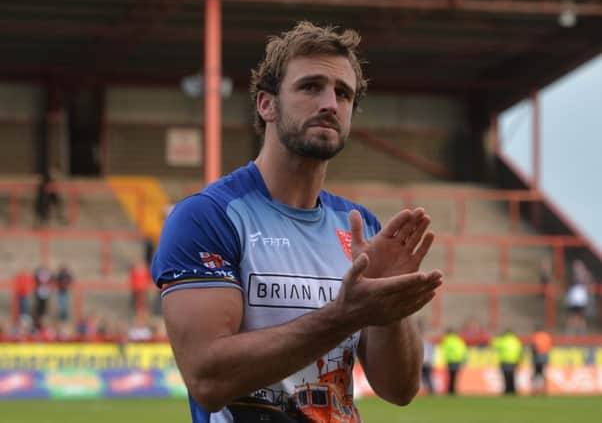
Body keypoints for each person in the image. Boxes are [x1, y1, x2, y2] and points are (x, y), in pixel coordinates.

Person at [152, 21, 442, 423]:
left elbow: (399, 389)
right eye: (310, 87)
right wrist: (346, 314)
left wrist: (391, 310)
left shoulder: (360, 227)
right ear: (266, 104)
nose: (329, 103)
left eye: (343, 94)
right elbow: (207, 378)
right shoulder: (208, 217)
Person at [492, 329, 523, 395]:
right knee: (512, 376)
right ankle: (513, 390)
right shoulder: (516, 341)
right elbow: (520, 351)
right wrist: (519, 360)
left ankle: (507, 390)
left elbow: (494, 344)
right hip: (513, 361)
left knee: (506, 376)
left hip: (505, 361)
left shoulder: (502, 341)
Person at [440, 328, 467, 395]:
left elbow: (445, 349)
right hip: (456, 360)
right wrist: (463, 359)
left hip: (451, 360)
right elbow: (463, 350)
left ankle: (451, 390)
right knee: (454, 376)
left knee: (452, 376)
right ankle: (452, 390)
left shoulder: (447, 340)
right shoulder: (458, 340)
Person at [531, 326, 552, 395]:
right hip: (545, 356)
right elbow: (549, 346)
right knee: (543, 373)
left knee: (536, 373)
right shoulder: (546, 336)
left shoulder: (536, 336)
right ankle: (544, 389)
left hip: (537, 356)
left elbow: (533, 347)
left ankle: (535, 390)